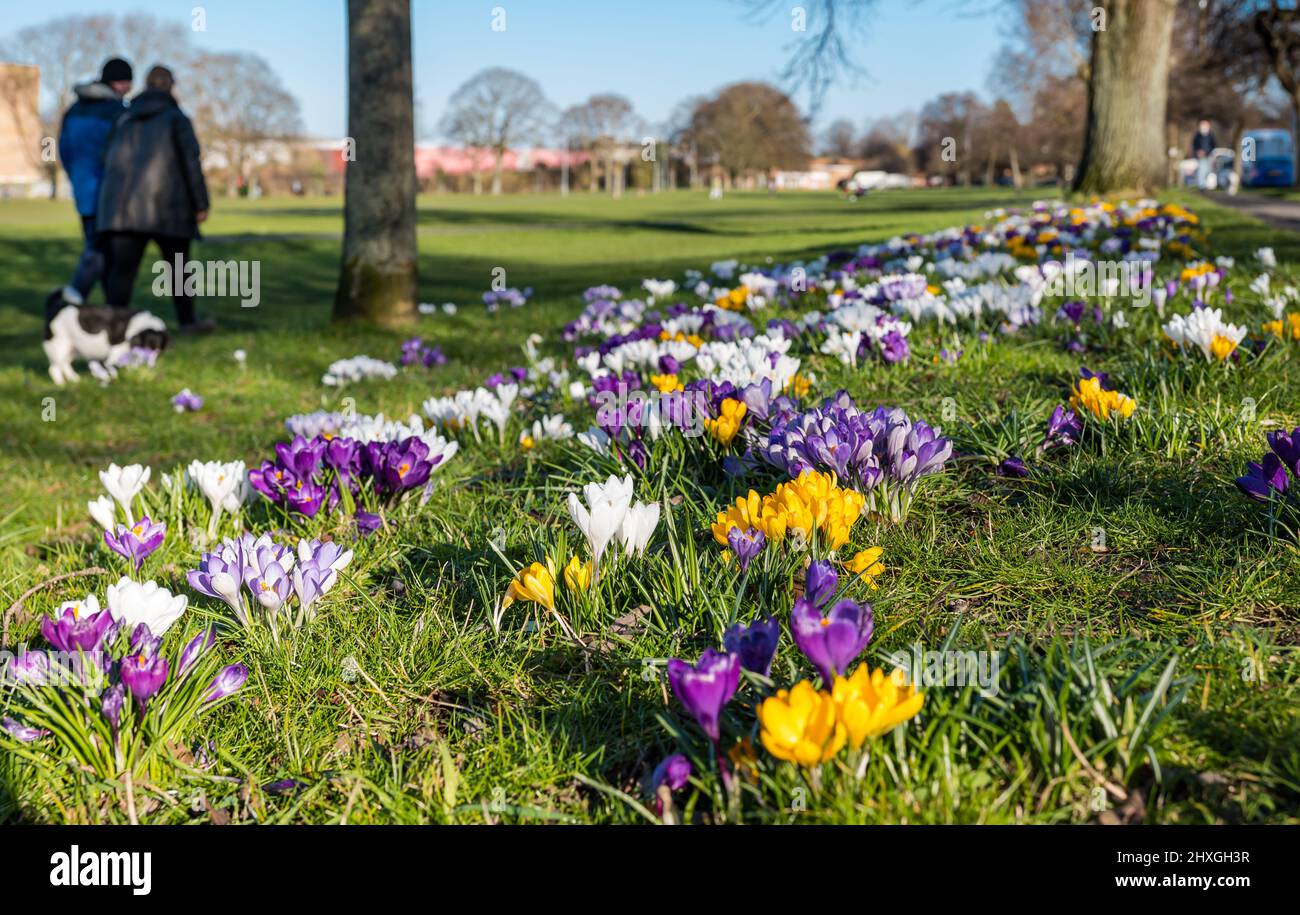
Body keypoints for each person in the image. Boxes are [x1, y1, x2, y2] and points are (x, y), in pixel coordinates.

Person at [97, 65, 214, 333]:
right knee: (180, 270)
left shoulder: (124, 117)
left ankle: (113, 327)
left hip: (123, 209)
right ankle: (187, 322)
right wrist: (201, 203)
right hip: (167, 207)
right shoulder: (176, 117)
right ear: (170, 85)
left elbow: (106, 158)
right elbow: (190, 162)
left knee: (122, 273)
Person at [56, 57, 132, 305]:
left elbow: (64, 151)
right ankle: (72, 299)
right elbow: (124, 155)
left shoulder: (73, 111)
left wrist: (77, 178)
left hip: (83, 191)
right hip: (110, 192)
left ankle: (110, 308)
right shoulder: (118, 112)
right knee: (101, 252)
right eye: (126, 82)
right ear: (117, 83)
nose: (129, 88)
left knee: (98, 247)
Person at [1192, 120, 1217, 189]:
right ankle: (1201, 186)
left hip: (1209, 155)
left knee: (1208, 170)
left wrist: (1208, 152)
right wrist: (1198, 151)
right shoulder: (1197, 135)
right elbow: (1195, 145)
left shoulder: (1211, 135)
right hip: (1200, 156)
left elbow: (1214, 145)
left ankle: (1207, 184)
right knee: (1201, 170)